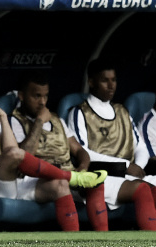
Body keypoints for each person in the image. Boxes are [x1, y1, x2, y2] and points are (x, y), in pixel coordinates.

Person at [0, 67, 107, 233]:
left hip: (4, 179)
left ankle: (76, 244)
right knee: (14, 155)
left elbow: (12, 150)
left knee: (59, 184)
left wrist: (2, 117)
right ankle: (71, 176)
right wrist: (1, 159)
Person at [67, 57, 156, 231]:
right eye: (105, 80)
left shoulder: (122, 111)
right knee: (144, 190)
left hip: (128, 174)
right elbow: (83, 152)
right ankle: (152, 246)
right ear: (91, 82)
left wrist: (137, 167)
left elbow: (140, 147)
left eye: (113, 80)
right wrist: (126, 166)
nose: (111, 85)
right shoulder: (79, 112)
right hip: (100, 175)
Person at [10, 71, 109, 231]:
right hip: (32, 179)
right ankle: (71, 242)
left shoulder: (58, 121)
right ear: (22, 96)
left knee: (96, 183)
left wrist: (83, 167)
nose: (42, 102)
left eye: (45, 96)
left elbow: (79, 150)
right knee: (60, 184)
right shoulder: (13, 121)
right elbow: (24, 156)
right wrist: (39, 121)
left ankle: (103, 240)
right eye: (36, 96)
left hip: (67, 174)